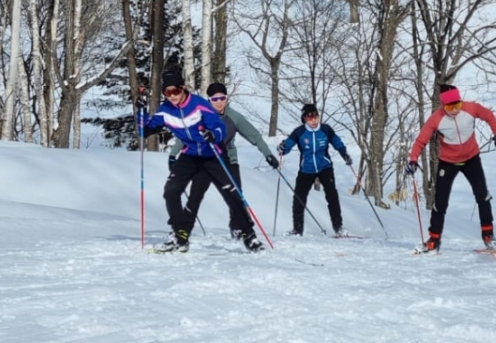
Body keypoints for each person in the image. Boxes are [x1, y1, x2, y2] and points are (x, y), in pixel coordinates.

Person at [138, 67, 263, 253]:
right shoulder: (165, 111)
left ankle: (248, 235)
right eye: (167, 92)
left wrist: (213, 135)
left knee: (232, 193)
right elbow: (144, 131)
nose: (172, 95)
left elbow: (219, 127)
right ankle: (179, 234)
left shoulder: (198, 104)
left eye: (176, 91)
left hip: (213, 154)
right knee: (171, 191)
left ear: (183, 88)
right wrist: (140, 111)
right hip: (190, 155)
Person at [168, 82, 279, 239]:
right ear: (209, 100)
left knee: (236, 195)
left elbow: (254, 136)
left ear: (227, 98)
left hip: (227, 160)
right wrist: (174, 154)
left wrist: (268, 154)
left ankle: (239, 228)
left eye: (222, 98)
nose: (219, 102)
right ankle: (182, 229)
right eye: (215, 99)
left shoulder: (234, 117)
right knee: (195, 195)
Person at [406, 84, 496, 252]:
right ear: (443, 106)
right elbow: (420, 141)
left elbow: (489, 116)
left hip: (471, 158)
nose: (454, 110)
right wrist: (413, 160)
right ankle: (434, 240)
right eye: (450, 106)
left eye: (457, 105)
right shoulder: (436, 118)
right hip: (448, 161)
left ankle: (488, 235)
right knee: (440, 202)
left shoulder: (471, 108)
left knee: (483, 195)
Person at [278, 103, 352, 237]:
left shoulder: (325, 129)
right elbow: (287, 145)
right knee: (299, 199)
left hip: (325, 167)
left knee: (332, 196)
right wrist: (282, 148)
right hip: (306, 169)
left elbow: (337, 142)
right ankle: (297, 230)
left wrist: (344, 154)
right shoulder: (299, 132)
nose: (313, 120)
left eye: (316, 117)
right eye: (309, 117)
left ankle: (339, 228)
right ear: (304, 119)